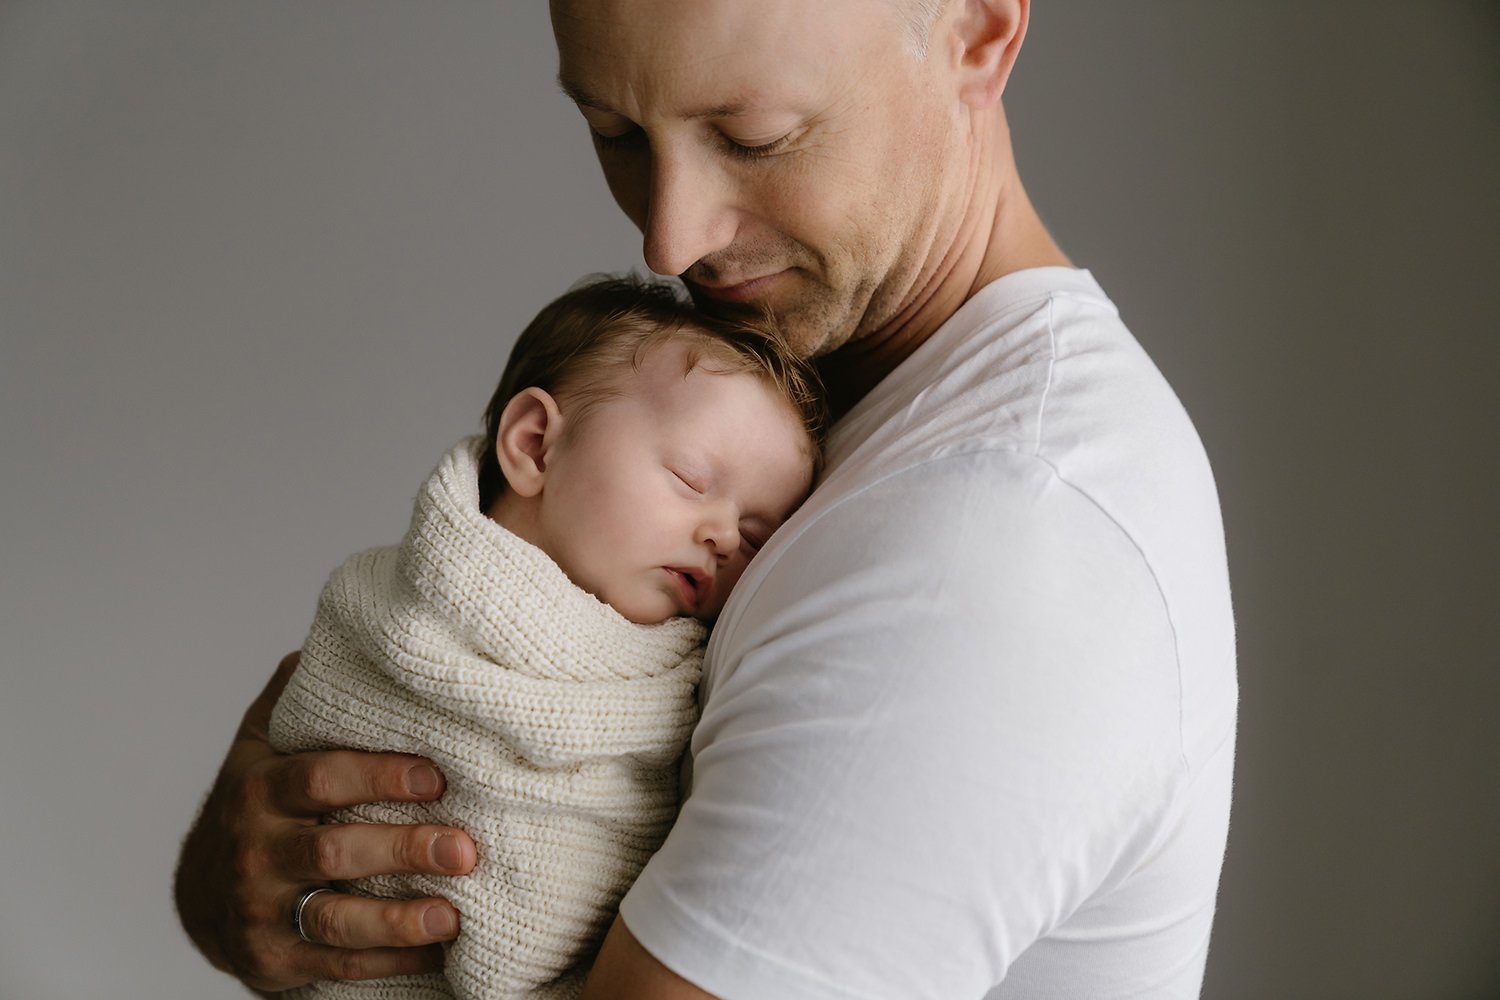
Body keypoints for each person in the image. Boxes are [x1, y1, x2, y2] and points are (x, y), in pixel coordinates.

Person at [174, 1, 1238, 997]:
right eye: (616, 134)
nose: (668, 240)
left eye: (756, 134)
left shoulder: (996, 542)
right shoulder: (820, 423)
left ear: (979, 31)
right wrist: (244, 893)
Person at [265, 276, 823, 999]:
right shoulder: (388, 609)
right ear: (534, 444)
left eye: (755, 534)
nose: (722, 536)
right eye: (691, 478)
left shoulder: (685, 681)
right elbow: (299, 751)